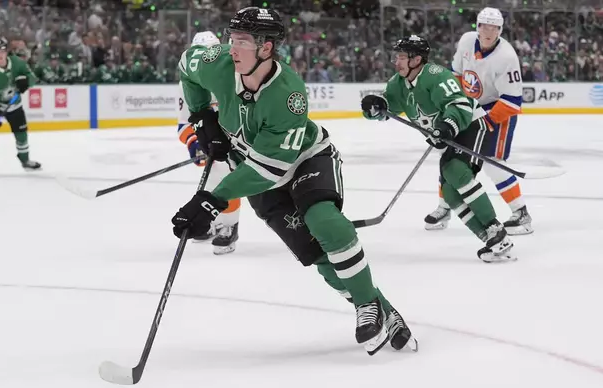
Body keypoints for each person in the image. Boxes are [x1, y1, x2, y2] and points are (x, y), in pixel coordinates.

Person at [173, 7, 417, 355]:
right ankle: (384, 310)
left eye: (242, 42)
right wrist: (202, 116)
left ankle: (366, 305)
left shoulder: (288, 95)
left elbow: (268, 169)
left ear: (266, 48)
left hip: (305, 160)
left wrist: (212, 200)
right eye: (232, 39)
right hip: (261, 176)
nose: (233, 48)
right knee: (319, 257)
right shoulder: (219, 63)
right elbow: (186, 63)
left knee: (323, 221)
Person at [361, 35, 516, 263]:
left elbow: (459, 105)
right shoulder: (397, 83)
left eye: (402, 57)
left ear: (416, 59)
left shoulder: (435, 75)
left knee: (454, 170)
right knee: (451, 195)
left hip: (470, 125)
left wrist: (446, 128)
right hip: (446, 133)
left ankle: (495, 229)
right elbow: (388, 107)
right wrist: (375, 107)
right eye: (397, 56)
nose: (397, 61)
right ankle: (491, 240)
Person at [423, 7, 533, 235]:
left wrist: (484, 120)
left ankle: (521, 214)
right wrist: (454, 105)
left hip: (498, 112)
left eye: (494, 27)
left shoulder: (507, 56)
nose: (488, 31)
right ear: (478, 26)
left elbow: (512, 101)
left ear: (500, 30)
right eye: (484, 26)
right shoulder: (466, 41)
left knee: (492, 162)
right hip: (469, 109)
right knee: (450, 157)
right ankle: (444, 207)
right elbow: (456, 75)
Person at [177, 31, 241, 255]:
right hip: (213, 141)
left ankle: (229, 224)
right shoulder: (187, 83)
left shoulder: (233, 74)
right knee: (216, 178)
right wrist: (195, 145)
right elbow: (184, 124)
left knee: (230, 180)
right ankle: (221, 222)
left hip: (239, 139)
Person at [0, 37, 41, 174]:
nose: (0, 55)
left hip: (14, 105)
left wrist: (25, 83)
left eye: (2, 51)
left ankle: (25, 160)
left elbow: (32, 77)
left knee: (21, 134)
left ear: (7, 51)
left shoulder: (18, 63)